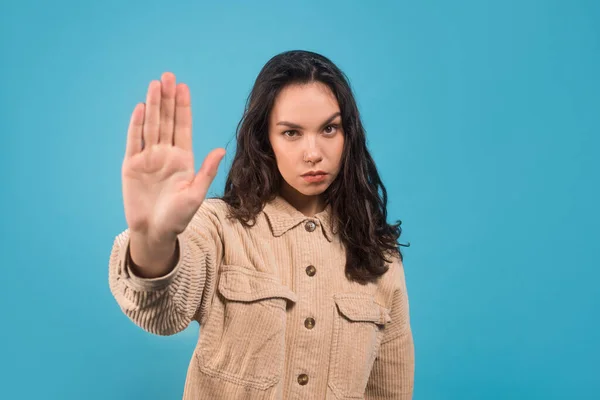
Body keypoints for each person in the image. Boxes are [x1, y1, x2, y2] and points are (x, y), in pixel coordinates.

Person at [108, 50, 414, 399]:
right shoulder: (219, 228)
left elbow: (390, 391)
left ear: (349, 134)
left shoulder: (381, 259)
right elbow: (163, 313)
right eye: (292, 133)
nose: (313, 152)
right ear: (264, 138)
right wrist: (154, 239)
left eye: (329, 128)